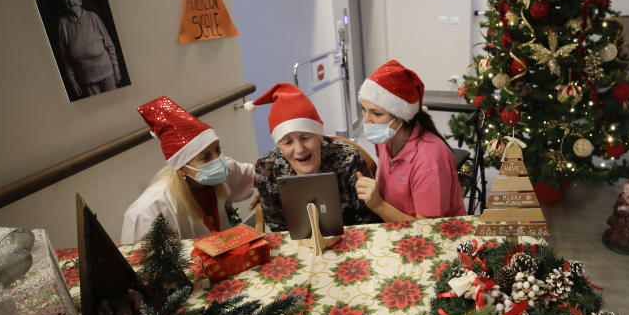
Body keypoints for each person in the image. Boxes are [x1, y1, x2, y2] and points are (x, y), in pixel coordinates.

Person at [121, 96, 258, 243]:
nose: (218, 160)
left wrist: (268, 192)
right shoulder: (149, 212)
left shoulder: (226, 169)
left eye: (218, 149)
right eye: (205, 157)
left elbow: (262, 175)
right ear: (180, 168)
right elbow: (142, 263)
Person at [250, 83, 379, 232]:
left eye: (305, 137)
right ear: (279, 145)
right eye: (288, 142)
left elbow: (368, 220)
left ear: (319, 136)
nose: (299, 149)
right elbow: (277, 227)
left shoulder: (349, 158)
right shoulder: (267, 168)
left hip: (349, 242)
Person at [355, 60, 466, 222]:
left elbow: (428, 230)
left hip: (431, 237)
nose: (366, 121)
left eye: (376, 114)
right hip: (395, 225)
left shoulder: (430, 161)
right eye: (364, 110)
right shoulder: (387, 135)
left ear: (401, 115)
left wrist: (378, 205)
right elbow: (384, 168)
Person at [57, 0, 121, 99]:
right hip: (85, 78)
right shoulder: (63, 24)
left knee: (115, 102)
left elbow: (109, 45)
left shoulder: (92, 17)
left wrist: (116, 69)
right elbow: (64, 58)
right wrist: (72, 81)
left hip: (107, 72)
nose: (70, 1)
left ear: (80, 1)